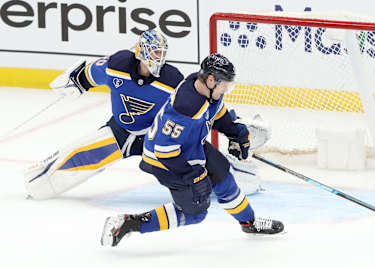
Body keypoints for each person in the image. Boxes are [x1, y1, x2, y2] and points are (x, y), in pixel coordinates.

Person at [100, 53, 284, 247]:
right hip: (164, 161)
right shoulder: (185, 107)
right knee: (196, 212)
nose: (226, 90)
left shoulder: (203, 87)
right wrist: (193, 176)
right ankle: (129, 223)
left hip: (189, 146)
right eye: (224, 85)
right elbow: (165, 150)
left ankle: (250, 223)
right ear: (211, 80)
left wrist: (234, 131)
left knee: (223, 177)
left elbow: (216, 110)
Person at [23, 28, 184, 199]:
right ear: (143, 51)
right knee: (79, 157)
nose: (160, 57)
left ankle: (207, 186)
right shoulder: (118, 65)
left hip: (154, 136)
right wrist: (77, 83)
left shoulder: (172, 80)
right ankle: (38, 185)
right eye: (156, 52)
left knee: (185, 162)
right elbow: (90, 74)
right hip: (120, 132)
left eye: (162, 53)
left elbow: (186, 110)